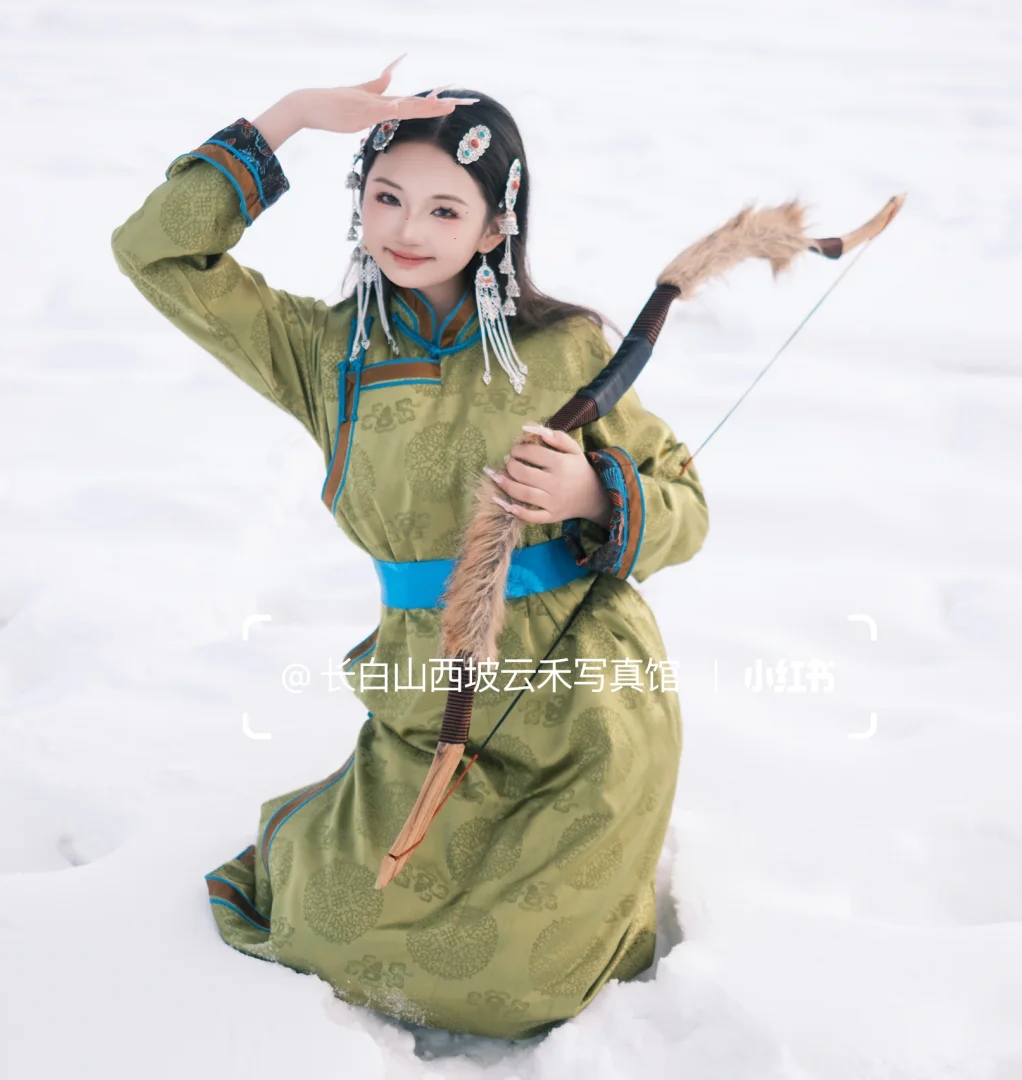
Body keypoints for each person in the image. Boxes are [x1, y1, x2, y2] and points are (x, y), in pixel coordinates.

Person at [109, 57, 709, 1040]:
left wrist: (596, 493)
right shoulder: (323, 353)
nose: (405, 231)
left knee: (524, 977)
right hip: (430, 702)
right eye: (386, 197)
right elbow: (155, 255)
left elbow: (685, 502)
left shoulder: (566, 348)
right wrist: (293, 117)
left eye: (442, 209)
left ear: (495, 224)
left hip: (585, 703)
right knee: (333, 926)